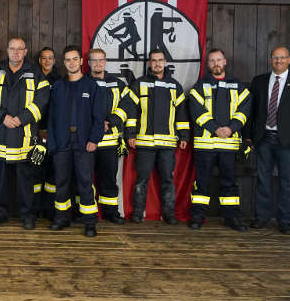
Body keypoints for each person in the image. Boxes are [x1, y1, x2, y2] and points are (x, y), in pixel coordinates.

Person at [0, 37, 50, 227]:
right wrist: (3, 117)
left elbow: (42, 101)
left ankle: (27, 216)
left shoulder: (36, 74)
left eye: (20, 49)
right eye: (13, 49)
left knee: (25, 181)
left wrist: (21, 118)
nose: (16, 52)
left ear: (26, 52)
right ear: (7, 50)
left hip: (24, 137)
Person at [115, 49, 189, 224]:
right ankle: (138, 213)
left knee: (168, 179)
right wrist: (130, 134)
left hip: (168, 143)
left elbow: (181, 114)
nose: (157, 63)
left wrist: (184, 136)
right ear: (149, 63)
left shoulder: (175, 86)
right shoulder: (139, 84)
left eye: (160, 60)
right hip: (144, 142)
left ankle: (169, 214)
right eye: (154, 60)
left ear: (165, 62)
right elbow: (131, 111)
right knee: (141, 180)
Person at [248, 46, 290, 234]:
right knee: (262, 180)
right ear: (271, 59)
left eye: (282, 57)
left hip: (289, 142)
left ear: (289, 60)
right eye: (275, 57)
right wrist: (250, 136)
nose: (278, 61)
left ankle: (285, 221)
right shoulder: (259, 81)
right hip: (263, 139)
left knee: (287, 181)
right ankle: (261, 218)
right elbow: (251, 111)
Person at [188, 48, 250, 232]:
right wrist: (215, 128)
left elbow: (245, 109)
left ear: (225, 62)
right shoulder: (200, 86)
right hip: (205, 145)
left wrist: (231, 129)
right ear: (208, 65)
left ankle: (232, 218)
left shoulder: (237, 85)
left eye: (218, 60)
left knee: (230, 183)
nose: (216, 63)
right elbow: (196, 110)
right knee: (201, 183)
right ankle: (197, 217)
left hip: (229, 145)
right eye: (212, 61)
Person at [47, 46, 105, 236]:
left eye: (75, 59)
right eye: (67, 60)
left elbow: (99, 117)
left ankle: (89, 223)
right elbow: (51, 118)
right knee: (61, 182)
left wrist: (94, 139)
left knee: (85, 182)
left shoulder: (92, 86)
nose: (71, 63)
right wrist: (52, 143)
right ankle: (61, 218)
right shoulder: (57, 87)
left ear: (81, 62)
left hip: (84, 142)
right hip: (62, 142)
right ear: (64, 63)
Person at [87, 47, 127, 224]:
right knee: (85, 180)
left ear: (105, 62)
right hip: (87, 141)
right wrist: (96, 124)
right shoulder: (82, 82)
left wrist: (109, 122)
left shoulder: (118, 83)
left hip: (110, 141)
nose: (97, 63)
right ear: (88, 63)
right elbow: (78, 108)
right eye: (93, 60)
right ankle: (86, 214)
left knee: (109, 180)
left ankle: (111, 213)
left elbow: (126, 106)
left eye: (100, 60)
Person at [34, 46, 60, 219]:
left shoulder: (60, 81)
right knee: (35, 172)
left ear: (55, 61)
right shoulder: (33, 78)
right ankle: (34, 210)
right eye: (44, 58)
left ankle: (50, 210)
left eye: (50, 58)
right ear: (39, 60)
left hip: (54, 133)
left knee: (52, 173)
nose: (47, 61)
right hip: (35, 131)